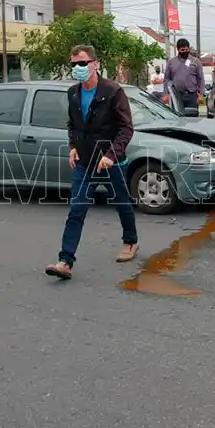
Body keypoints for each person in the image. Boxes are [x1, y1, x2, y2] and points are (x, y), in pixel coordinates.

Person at [45, 45, 139, 280]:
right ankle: (65, 261)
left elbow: (126, 128)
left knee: (122, 204)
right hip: (86, 162)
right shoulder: (73, 93)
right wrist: (73, 147)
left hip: (111, 161)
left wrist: (111, 155)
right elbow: (73, 125)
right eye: (74, 64)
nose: (78, 68)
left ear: (95, 64)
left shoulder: (113, 91)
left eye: (82, 63)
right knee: (76, 210)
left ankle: (130, 242)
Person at [164, 38, 205, 110]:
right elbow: (166, 79)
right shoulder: (171, 62)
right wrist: (166, 94)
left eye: (186, 50)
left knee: (192, 117)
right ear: (178, 50)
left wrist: (201, 94)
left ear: (189, 49)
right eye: (182, 50)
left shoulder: (195, 61)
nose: (185, 52)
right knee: (177, 117)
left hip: (191, 95)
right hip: (176, 95)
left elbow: (200, 79)